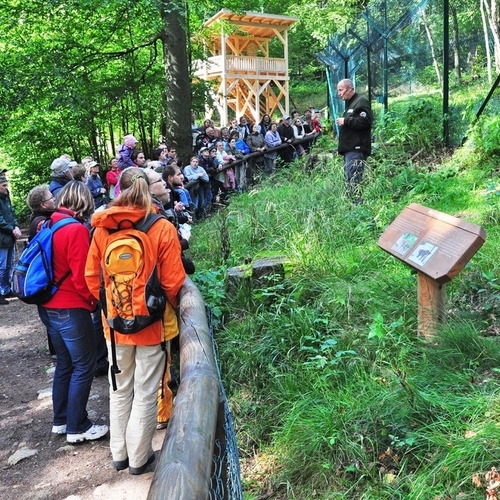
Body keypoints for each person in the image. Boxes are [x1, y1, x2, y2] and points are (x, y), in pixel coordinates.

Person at [85, 167, 185, 475]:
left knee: (119, 389)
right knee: (145, 391)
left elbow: (92, 278)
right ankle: (140, 458)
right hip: (152, 325)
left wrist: (113, 309)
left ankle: (119, 454)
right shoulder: (160, 227)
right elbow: (172, 281)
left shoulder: (102, 228)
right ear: (148, 190)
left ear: (119, 190)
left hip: (114, 327)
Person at [38, 181, 108, 443]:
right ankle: (77, 426)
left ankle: (61, 419)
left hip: (48, 306)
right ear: (84, 202)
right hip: (70, 307)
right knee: (84, 365)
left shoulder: (49, 223)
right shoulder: (76, 230)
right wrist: (93, 303)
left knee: (65, 364)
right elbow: (82, 277)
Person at [336, 79, 373, 200]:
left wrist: (346, 120)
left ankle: (357, 207)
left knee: (354, 180)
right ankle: (352, 206)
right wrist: (342, 147)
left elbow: (366, 121)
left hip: (357, 149)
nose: (339, 93)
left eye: (341, 90)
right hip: (350, 149)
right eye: (338, 91)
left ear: (350, 89)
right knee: (349, 179)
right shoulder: (350, 104)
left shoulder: (360, 102)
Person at [0, 173, 22, 305]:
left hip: (9, 236)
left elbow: (11, 213)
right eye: (3, 185)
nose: (6, 187)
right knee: (1, 266)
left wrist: (16, 226)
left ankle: (5, 289)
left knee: (9, 264)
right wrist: (11, 228)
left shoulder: (6, 197)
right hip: (2, 238)